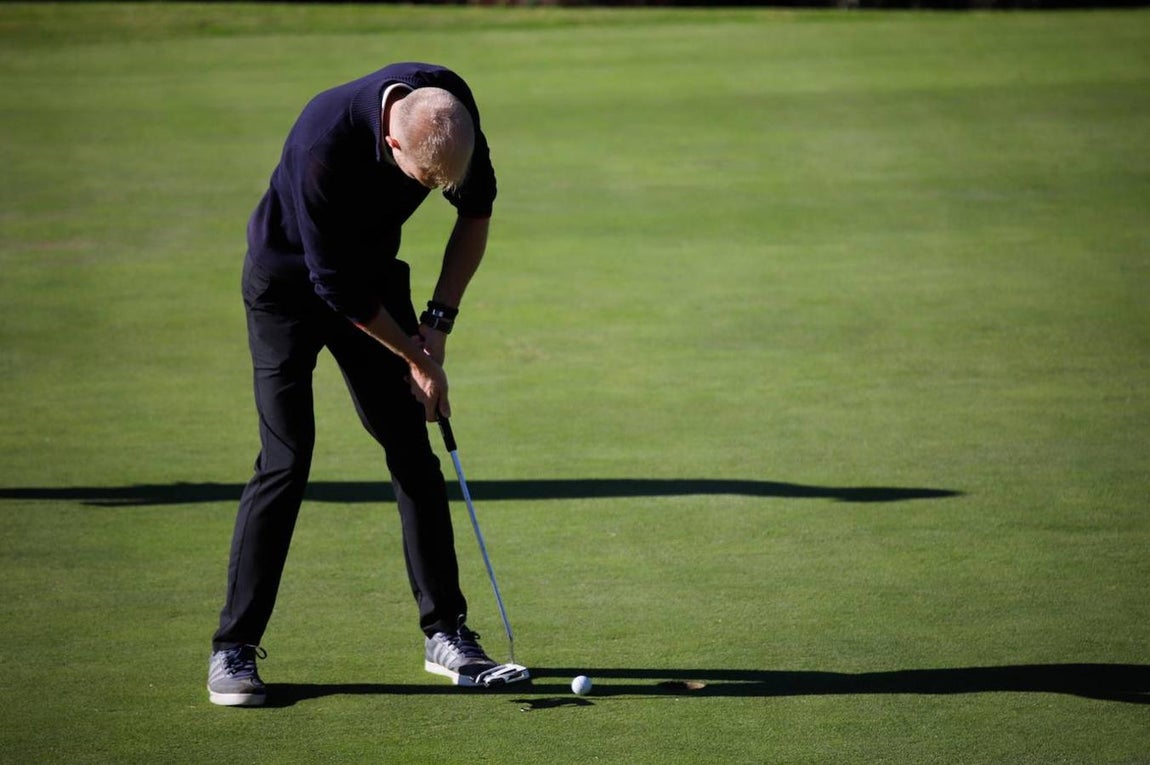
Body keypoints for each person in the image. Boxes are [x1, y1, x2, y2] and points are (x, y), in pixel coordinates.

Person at [207, 63, 500, 707]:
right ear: (395, 142)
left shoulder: (449, 111)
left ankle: (445, 632)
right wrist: (415, 358)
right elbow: (334, 287)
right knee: (287, 458)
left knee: (409, 446)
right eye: (426, 183)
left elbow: (475, 213)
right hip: (288, 288)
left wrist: (437, 326)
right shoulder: (323, 146)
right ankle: (233, 646)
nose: (435, 191)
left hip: (372, 276)